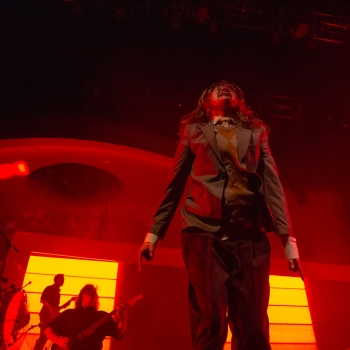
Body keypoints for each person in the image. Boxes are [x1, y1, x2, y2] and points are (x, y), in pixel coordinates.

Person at [139, 81, 302, 350]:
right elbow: (174, 184)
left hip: (249, 236)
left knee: (252, 323)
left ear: (240, 101)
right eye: (218, 87)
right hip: (203, 235)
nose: (226, 88)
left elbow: (273, 184)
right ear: (206, 101)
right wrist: (154, 233)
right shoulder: (194, 132)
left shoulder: (256, 132)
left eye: (233, 88)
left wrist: (288, 240)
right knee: (211, 319)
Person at [44, 284, 127, 350]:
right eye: (88, 291)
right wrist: (58, 340)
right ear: (81, 296)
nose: (91, 292)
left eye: (93, 292)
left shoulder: (102, 316)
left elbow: (118, 334)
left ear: (96, 299)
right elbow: (48, 330)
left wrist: (123, 319)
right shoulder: (69, 313)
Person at [34, 274, 75, 350]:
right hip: (46, 316)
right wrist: (50, 308)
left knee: (48, 335)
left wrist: (69, 301)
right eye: (62, 279)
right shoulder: (49, 288)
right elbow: (42, 300)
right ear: (56, 280)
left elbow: (56, 308)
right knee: (44, 335)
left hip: (51, 316)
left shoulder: (57, 292)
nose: (63, 281)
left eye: (63, 280)